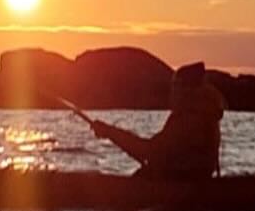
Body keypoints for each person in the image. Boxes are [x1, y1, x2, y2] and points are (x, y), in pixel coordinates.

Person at [89, 61, 225, 180]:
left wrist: (110, 132)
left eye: (176, 85)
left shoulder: (189, 120)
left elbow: (150, 151)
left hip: (179, 188)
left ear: (187, 89)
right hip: (191, 182)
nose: (172, 92)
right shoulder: (206, 113)